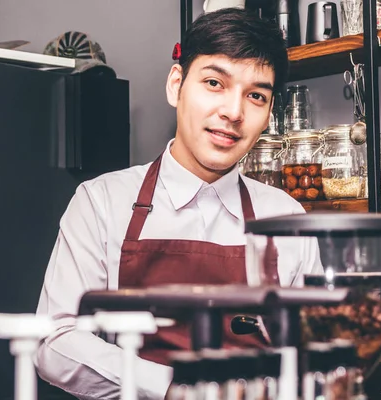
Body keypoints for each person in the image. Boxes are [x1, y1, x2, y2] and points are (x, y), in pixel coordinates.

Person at [34, 8, 321, 400]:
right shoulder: (102, 202)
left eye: (256, 95)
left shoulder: (286, 217)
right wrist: (172, 388)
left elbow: (313, 355)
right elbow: (55, 342)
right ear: (176, 85)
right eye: (214, 82)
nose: (233, 112)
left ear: (270, 113)